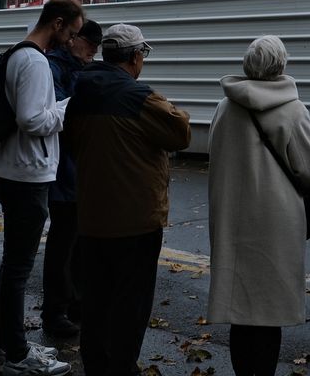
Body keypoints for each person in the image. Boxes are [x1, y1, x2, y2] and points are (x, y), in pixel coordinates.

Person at [65, 23, 192, 376]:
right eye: (143, 55)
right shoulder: (140, 97)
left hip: (91, 216)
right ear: (135, 57)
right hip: (135, 220)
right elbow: (180, 132)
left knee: (96, 302)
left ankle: (97, 367)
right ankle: (122, 367)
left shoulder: (82, 91)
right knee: (129, 305)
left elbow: (72, 143)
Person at [207, 36, 310, 376]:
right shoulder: (293, 109)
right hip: (277, 220)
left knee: (241, 309)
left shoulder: (225, 106)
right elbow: (306, 170)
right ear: (281, 66)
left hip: (233, 216)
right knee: (269, 311)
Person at [0, 0, 82, 376]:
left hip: (19, 171)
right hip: (26, 175)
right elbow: (31, 119)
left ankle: (10, 348)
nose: (72, 41)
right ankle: (14, 356)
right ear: (58, 23)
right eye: (72, 33)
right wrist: (66, 109)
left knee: (14, 268)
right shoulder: (34, 61)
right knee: (17, 270)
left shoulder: (21, 55)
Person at [41, 18, 102, 338]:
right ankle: (54, 311)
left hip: (80, 169)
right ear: (72, 39)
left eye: (97, 45)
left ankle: (76, 305)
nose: (94, 49)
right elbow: (56, 114)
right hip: (62, 169)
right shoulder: (53, 68)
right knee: (63, 244)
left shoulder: (78, 68)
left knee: (79, 243)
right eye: (89, 43)